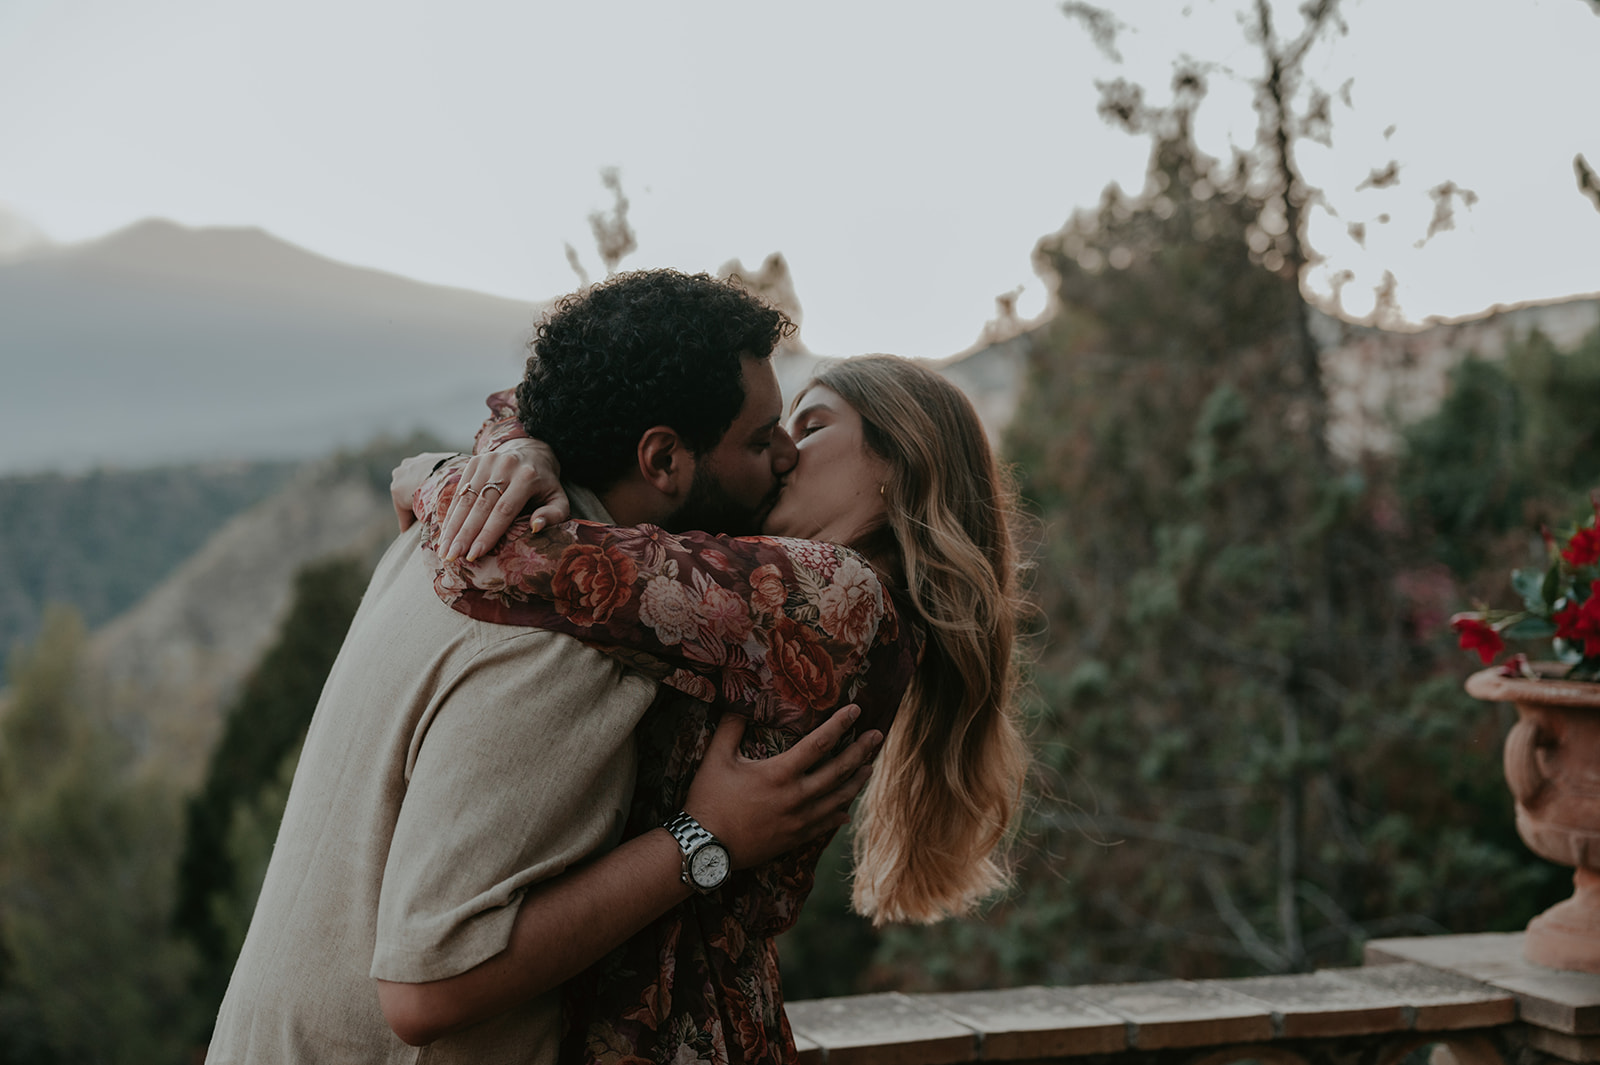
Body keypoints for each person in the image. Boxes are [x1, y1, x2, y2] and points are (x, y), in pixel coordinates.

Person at [206, 269, 881, 1064]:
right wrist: (705, 838)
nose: (783, 456)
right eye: (762, 438)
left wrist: (453, 466)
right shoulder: (567, 639)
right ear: (663, 458)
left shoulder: (451, 538)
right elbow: (428, 988)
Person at [399, 352, 1028, 1065]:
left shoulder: (835, 593)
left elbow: (512, 559)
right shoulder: (832, 604)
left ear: (900, 461)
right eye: (777, 432)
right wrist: (522, 448)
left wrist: (440, 476)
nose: (784, 453)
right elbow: (552, 401)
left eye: (812, 426)